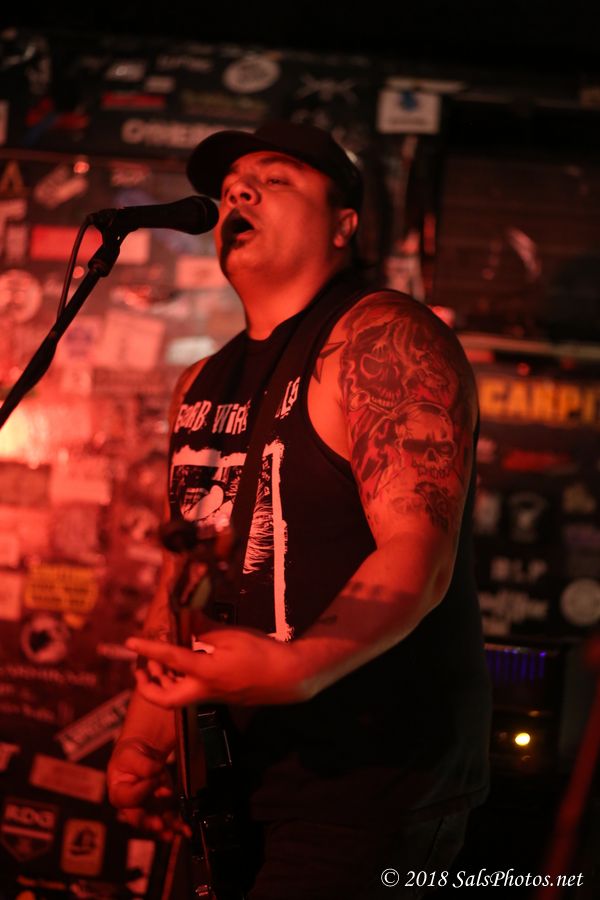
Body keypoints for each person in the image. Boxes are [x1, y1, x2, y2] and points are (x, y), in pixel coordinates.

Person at [107, 120, 492, 898]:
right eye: (230, 188)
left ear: (345, 224)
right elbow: (189, 575)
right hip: (235, 782)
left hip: (369, 786)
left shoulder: (381, 337)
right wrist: (146, 734)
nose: (239, 194)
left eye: (274, 179)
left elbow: (419, 553)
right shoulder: (201, 382)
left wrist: (297, 666)